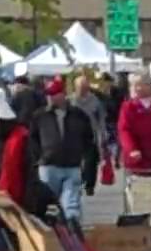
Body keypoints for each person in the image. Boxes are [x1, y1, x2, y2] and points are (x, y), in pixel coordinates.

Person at [30, 78, 99, 226]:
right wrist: (39, 159)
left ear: (63, 94)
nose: (50, 97)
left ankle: (73, 230)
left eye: (54, 93)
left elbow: (89, 142)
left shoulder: (79, 115)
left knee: (71, 205)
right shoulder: (39, 116)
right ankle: (49, 232)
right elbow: (32, 140)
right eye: (48, 94)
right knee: (47, 204)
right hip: (48, 166)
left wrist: (88, 170)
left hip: (72, 166)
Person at [117, 73, 151, 174]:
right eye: (134, 85)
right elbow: (124, 130)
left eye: (140, 84)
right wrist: (131, 149)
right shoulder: (128, 107)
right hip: (136, 159)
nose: (137, 88)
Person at [71, 75, 108, 194]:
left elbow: (101, 118)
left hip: (90, 133)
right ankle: (79, 182)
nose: (82, 90)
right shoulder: (70, 100)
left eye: (84, 87)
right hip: (74, 134)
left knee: (91, 161)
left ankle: (90, 185)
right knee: (75, 161)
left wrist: (103, 133)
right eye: (79, 87)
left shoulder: (94, 100)